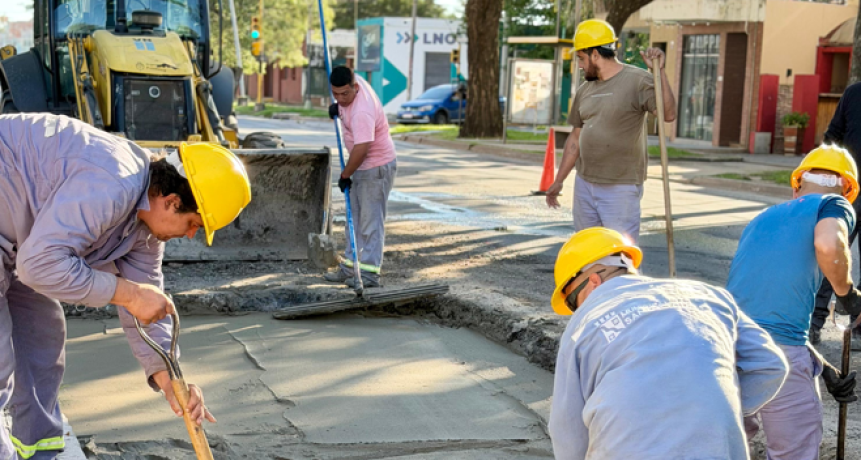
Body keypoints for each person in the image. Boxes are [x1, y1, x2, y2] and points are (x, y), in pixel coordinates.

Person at [0, 113, 251, 459]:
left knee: (41, 336)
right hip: (21, 239)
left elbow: (148, 306)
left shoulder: (145, 229)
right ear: (171, 201)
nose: (192, 234)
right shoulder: (114, 184)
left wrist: (169, 379)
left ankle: (38, 451)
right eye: (194, 223)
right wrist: (128, 294)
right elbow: (39, 266)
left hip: (21, 239)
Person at [548, 227, 788, 460]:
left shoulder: (582, 325)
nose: (576, 310)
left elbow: (568, 431)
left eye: (572, 301)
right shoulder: (711, 296)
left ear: (593, 281)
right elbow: (770, 365)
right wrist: (704, 408)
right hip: (715, 448)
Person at [726, 145, 861, 460]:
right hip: (781, 355)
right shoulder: (834, 204)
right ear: (847, 189)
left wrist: (820, 366)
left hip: (731, 346)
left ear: (797, 186)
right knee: (793, 452)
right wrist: (847, 294)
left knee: (730, 446)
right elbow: (829, 245)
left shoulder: (762, 219)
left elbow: (765, 316)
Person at [545, 19, 676, 244]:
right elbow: (575, 138)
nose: (580, 65)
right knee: (588, 250)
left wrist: (659, 72)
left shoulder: (638, 81)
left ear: (595, 54)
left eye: (581, 58)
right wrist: (559, 180)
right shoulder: (585, 89)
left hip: (621, 187)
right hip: (585, 184)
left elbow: (668, 114)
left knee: (619, 253)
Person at [323, 66, 397, 288]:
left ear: (355, 87)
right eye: (335, 94)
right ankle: (350, 267)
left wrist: (346, 174)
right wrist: (338, 108)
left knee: (370, 222)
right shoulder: (354, 85)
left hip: (375, 168)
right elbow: (343, 100)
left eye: (344, 94)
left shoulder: (361, 112)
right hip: (361, 167)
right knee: (353, 218)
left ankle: (370, 273)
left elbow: (362, 148)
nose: (340, 98)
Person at [810, 82, 861, 346]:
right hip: (849, 192)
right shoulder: (854, 93)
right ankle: (812, 324)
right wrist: (827, 179)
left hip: (848, 192)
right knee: (831, 256)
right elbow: (832, 138)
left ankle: (859, 327)